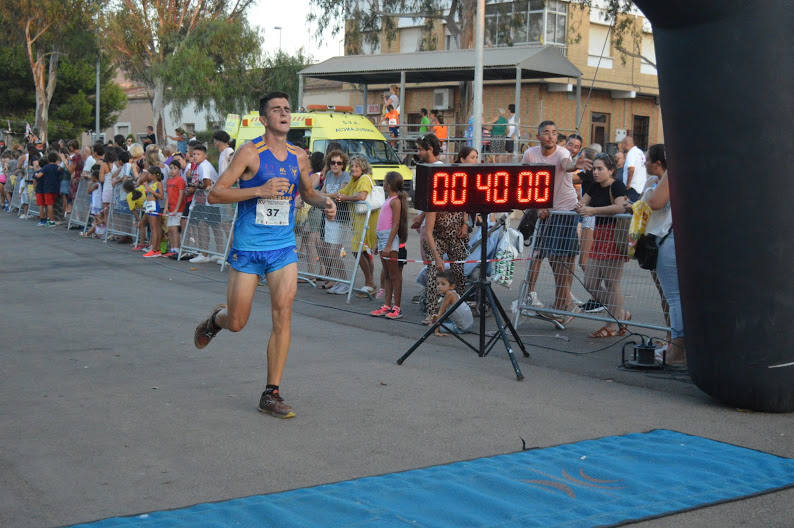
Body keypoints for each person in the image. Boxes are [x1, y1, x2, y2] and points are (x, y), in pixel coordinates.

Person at [193, 91, 336, 419]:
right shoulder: (249, 153)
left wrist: (324, 202)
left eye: (287, 109)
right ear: (263, 118)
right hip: (248, 249)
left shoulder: (300, 157)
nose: (284, 114)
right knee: (238, 322)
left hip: (283, 248)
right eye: (277, 109)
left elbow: (309, 193)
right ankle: (218, 320)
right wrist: (258, 190)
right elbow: (216, 194)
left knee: (283, 313)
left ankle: (271, 392)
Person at [521, 121, 592, 323]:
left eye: (554, 133)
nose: (551, 136)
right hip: (544, 213)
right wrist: (536, 206)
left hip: (565, 210)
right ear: (538, 136)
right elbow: (525, 182)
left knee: (562, 260)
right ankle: (562, 303)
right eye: (546, 132)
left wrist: (575, 165)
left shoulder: (563, 154)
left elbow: (566, 166)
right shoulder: (530, 155)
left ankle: (563, 305)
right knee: (547, 259)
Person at [575, 153, 630, 337]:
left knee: (611, 283)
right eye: (595, 168)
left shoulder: (617, 185)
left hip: (614, 235)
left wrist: (593, 210)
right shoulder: (594, 186)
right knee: (590, 282)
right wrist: (581, 207)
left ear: (611, 170)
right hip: (599, 236)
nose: (596, 172)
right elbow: (582, 203)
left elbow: (620, 207)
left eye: (600, 169)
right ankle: (620, 314)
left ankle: (611, 325)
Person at [643, 144, 685, 368]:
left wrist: (649, 192)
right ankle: (678, 347)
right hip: (678, 238)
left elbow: (655, 202)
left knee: (675, 298)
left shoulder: (674, 170)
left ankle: (677, 350)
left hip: (669, 239)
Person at [332, 156, 379, 297]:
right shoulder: (353, 180)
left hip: (367, 222)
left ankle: (370, 283)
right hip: (358, 222)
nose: (353, 169)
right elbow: (343, 192)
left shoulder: (364, 179)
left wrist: (345, 197)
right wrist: (341, 193)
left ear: (363, 167)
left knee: (357, 250)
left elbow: (362, 196)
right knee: (363, 252)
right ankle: (370, 284)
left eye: (357, 166)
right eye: (352, 166)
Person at [369, 171, 408, 320]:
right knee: (386, 274)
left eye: (385, 181)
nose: (383, 183)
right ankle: (386, 305)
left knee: (395, 275)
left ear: (389, 184)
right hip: (383, 239)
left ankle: (397, 307)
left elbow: (396, 223)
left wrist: (388, 245)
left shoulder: (395, 201)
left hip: (390, 240)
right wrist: (379, 244)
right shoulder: (389, 199)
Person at [318, 150, 351, 293]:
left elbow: (340, 194)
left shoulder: (346, 176)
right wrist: (328, 195)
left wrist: (325, 195)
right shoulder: (329, 175)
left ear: (343, 164)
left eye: (339, 163)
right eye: (332, 162)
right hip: (328, 217)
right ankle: (339, 281)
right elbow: (321, 193)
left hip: (341, 217)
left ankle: (344, 282)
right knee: (328, 252)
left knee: (335, 253)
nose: (335, 165)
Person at [432, 270, 474, 336]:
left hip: (461, 328)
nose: (439, 286)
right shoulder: (454, 293)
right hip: (469, 324)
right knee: (436, 320)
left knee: (431, 326)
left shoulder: (449, 294)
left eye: (443, 284)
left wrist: (436, 332)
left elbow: (441, 313)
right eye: (437, 284)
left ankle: (440, 328)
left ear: (452, 286)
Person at [163, 160, 186, 258]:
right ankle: (172, 248)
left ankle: (176, 248)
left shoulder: (180, 180)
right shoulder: (169, 180)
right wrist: (166, 207)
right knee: (170, 229)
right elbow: (168, 195)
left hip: (178, 208)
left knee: (174, 228)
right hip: (171, 208)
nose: (172, 170)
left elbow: (181, 195)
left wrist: (177, 209)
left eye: (175, 168)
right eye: (171, 168)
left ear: (179, 170)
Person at [141, 167, 164, 257]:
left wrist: (150, 191)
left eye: (150, 174)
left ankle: (154, 249)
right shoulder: (152, 183)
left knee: (154, 228)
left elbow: (161, 196)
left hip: (154, 206)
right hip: (149, 205)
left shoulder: (159, 183)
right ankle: (156, 249)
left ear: (154, 175)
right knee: (155, 227)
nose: (148, 176)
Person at [34, 152, 60, 227]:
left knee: (49, 205)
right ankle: (50, 219)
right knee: (52, 204)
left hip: (47, 188)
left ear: (49, 159)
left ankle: (51, 221)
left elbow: (39, 176)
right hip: (56, 188)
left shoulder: (46, 167)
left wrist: (36, 175)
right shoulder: (57, 167)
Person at [621, 134, 647, 202]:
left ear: (625, 144)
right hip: (641, 187)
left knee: (630, 208)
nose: (621, 147)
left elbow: (631, 169)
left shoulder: (631, 153)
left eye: (622, 145)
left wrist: (628, 185)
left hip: (632, 188)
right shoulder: (640, 152)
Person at [82, 165, 104, 238]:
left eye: (92, 176)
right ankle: (97, 231)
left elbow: (89, 191)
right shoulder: (98, 184)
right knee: (96, 218)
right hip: (95, 203)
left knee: (96, 218)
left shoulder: (96, 185)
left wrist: (89, 184)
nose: (90, 177)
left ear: (94, 177)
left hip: (96, 204)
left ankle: (97, 229)